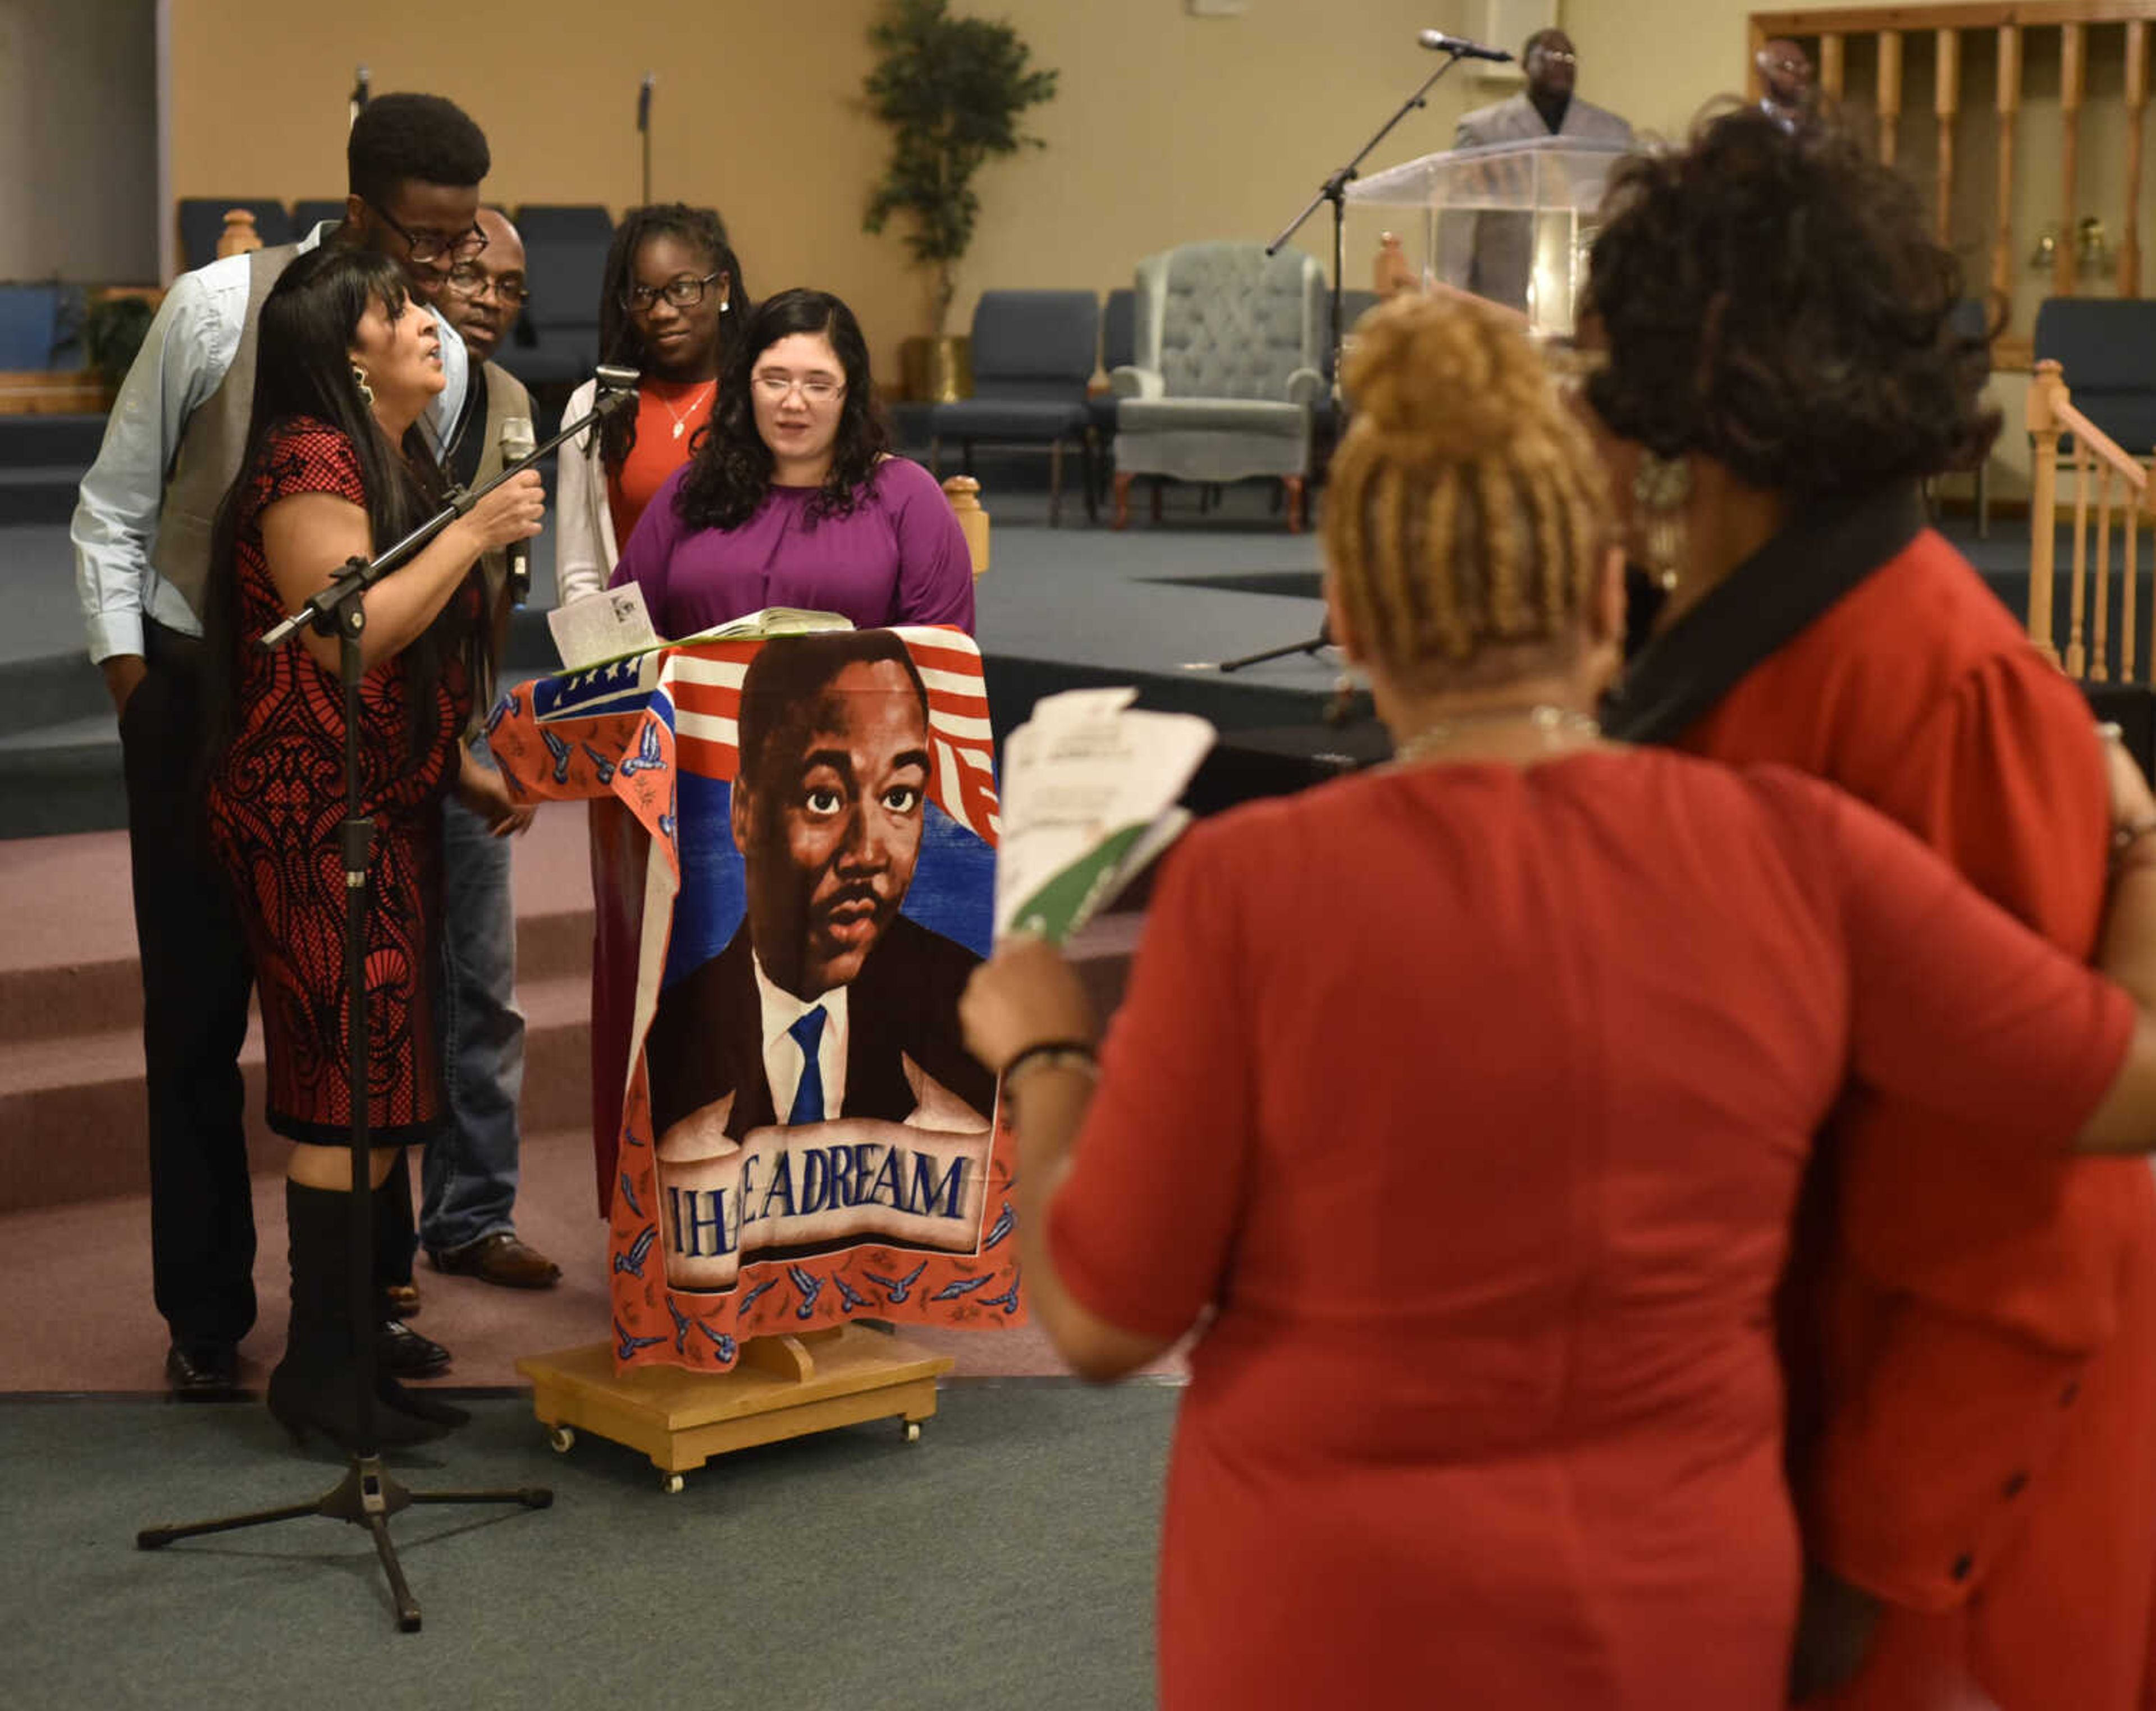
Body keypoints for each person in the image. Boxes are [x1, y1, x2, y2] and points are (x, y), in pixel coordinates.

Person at [956, 291, 2156, 1711]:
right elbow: (2120, 1080)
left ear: (1344, 613)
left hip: (1325, 1609)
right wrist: (2134, 841)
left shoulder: (1249, 888)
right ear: (1603, 595)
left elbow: (1101, 1312)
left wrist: (1043, 1049)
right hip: (1677, 1604)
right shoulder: (1789, 846)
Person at [1581, 109, 2156, 1708]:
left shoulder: (1945, 693)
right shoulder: (1748, 633)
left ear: (1708, 370)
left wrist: (1848, 1592)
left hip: (1928, 1565)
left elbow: (2022, 1240)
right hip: (1748, 1480)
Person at [70, 91, 492, 1398]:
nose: (437, 271)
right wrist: (144, 690)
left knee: (366, 1008)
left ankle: (360, 1313)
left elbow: (407, 572)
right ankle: (207, 1311)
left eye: (457, 242)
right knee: (198, 1013)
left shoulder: (442, 357)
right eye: (416, 241)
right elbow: (113, 508)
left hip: (356, 727)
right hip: (199, 687)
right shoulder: (213, 307)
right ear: (359, 207)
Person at [198, 244, 543, 1451]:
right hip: (306, 821)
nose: (430, 323)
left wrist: (459, 764)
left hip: (380, 805)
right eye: (401, 309)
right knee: (347, 1091)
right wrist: (477, 527)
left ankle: (357, 1364)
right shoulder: (308, 453)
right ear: (350, 345)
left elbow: (401, 671)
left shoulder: (379, 455)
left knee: (387, 1092)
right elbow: (348, 632)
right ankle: (320, 1372)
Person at [642, 630, 994, 1142]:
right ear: (744, 812)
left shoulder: (967, 1018)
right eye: (823, 800)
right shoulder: (675, 1032)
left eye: (899, 798)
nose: (869, 854)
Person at [413, 208, 563, 1296]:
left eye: (509, 287)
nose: (487, 299)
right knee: (377, 987)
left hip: (465, 717)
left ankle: (473, 1214)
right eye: (471, 273)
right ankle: (368, 1261)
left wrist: (491, 728)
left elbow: (505, 593)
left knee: (485, 989)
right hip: (360, 728)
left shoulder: (513, 405)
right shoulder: (361, 396)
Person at [609, 289, 975, 639]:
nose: (794, 403)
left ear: (850, 394)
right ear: (745, 385)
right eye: (775, 380)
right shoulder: (693, 487)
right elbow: (616, 624)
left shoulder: (908, 497)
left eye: (818, 385)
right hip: (693, 703)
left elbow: (942, 654)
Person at [554, 204, 750, 603]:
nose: (661, 312)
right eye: (644, 294)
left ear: (723, 289)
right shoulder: (594, 407)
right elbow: (579, 574)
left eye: (682, 289)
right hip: (636, 654)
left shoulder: (759, 397)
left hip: (742, 650)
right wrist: (614, 659)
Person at [1446, 29, 1633, 310]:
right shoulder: (1483, 130)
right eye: (1549, 55)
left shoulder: (1612, 132)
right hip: (1502, 294)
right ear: (1524, 64)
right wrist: (1450, 294)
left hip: (1584, 292)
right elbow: (1458, 217)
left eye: (1569, 56)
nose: (1561, 63)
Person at [1757, 37, 1819, 132]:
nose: (1803, 72)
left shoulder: (1824, 128)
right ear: (1764, 74)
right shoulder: (1736, 126)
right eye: (1789, 66)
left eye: (1805, 65)